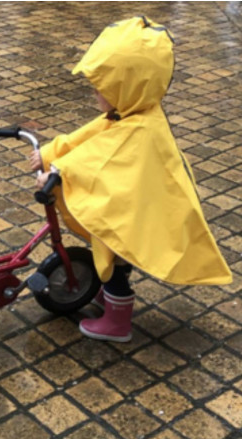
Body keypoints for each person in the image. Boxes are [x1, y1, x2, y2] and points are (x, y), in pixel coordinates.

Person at [29, 16, 232, 342]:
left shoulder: (141, 129)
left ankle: (117, 322)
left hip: (132, 216)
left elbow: (99, 162)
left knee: (115, 258)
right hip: (133, 208)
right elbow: (88, 139)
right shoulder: (130, 112)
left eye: (103, 86)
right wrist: (53, 153)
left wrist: (59, 172)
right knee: (110, 252)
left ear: (128, 87)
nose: (95, 91)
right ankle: (107, 298)